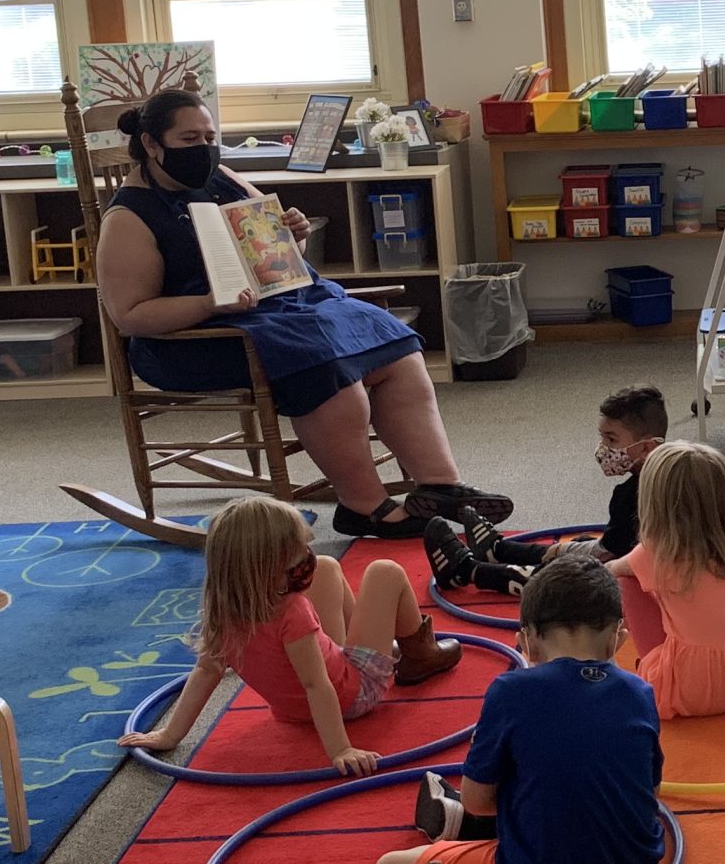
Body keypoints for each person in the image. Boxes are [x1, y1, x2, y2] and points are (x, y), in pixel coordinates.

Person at [95, 88, 510, 536]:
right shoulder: (127, 219)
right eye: (189, 140)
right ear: (153, 145)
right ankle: (363, 505)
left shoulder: (222, 178)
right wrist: (208, 303)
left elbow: (274, 255)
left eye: (210, 137)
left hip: (278, 308)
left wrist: (294, 235)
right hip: (195, 336)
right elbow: (130, 316)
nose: (204, 150)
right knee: (323, 367)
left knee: (393, 344)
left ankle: (439, 483)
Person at [382, 556, 665, 864]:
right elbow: (651, 791)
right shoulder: (640, 691)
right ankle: (495, 827)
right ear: (619, 637)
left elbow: (478, 801)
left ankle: (475, 832)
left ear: (526, 642)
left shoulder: (511, 692)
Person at [118, 498, 460, 777]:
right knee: (385, 571)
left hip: (293, 708)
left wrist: (170, 734)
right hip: (354, 693)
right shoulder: (291, 609)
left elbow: (208, 670)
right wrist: (340, 749)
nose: (306, 555)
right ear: (269, 565)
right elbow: (317, 684)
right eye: (298, 551)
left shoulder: (224, 608)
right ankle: (420, 655)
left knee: (325, 567)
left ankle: (381, 643)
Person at [610, 443, 725, 719]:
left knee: (628, 579)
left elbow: (612, 569)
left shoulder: (655, 552)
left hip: (694, 687)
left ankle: (652, 670)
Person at [424, 384, 661, 595]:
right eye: (602, 438)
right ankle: (497, 550)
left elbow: (608, 556)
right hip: (646, 564)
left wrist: (564, 556)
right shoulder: (667, 474)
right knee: (582, 545)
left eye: (611, 440)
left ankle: (467, 570)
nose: (603, 448)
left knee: (562, 575)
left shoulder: (630, 495)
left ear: (646, 447)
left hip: (639, 581)